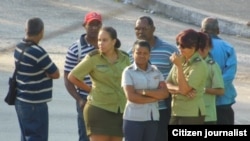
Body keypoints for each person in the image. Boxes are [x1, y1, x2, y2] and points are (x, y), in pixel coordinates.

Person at [68, 26, 130, 141]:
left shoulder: (124, 57)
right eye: (99, 40)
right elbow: (72, 76)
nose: (101, 43)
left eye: (105, 40)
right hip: (98, 109)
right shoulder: (93, 58)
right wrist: (90, 89)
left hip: (119, 110)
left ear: (114, 41)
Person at [127, 16, 178, 141]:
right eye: (137, 29)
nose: (140, 32)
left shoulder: (169, 50)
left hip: (163, 108)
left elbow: (178, 75)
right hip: (138, 111)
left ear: (153, 29)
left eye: (144, 28)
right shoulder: (130, 54)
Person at [14, 17, 60, 141]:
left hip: (21, 100)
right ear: (41, 32)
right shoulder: (38, 52)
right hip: (35, 103)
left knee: (26, 136)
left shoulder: (18, 47)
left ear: (26, 30)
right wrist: (46, 72)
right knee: (37, 137)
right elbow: (56, 74)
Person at [64, 11, 102, 141]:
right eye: (91, 24)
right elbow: (68, 79)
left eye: (97, 24)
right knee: (86, 136)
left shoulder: (106, 46)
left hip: (105, 99)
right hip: (86, 98)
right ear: (84, 25)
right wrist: (79, 99)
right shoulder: (76, 49)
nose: (94, 28)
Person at [122, 39, 169, 141]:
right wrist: (154, 98)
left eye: (145, 53)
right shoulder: (128, 72)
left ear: (149, 55)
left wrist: (144, 92)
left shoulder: (155, 71)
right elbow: (131, 97)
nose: (142, 56)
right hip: (134, 119)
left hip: (152, 119)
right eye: (138, 53)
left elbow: (164, 93)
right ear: (133, 53)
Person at [166, 29, 208, 125]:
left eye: (183, 46)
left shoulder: (199, 65)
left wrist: (179, 67)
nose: (179, 48)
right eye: (178, 44)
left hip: (191, 113)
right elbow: (166, 84)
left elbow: (185, 90)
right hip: (176, 110)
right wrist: (179, 89)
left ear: (193, 47)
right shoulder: (180, 60)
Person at [201, 17, 237, 124]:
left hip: (202, 101)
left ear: (202, 31)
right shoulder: (228, 47)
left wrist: (207, 90)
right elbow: (230, 75)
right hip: (223, 100)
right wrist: (217, 89)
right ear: (218, 31)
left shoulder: (196, 47)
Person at [198, 33, 225, 124]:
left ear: (210, 48)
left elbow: (220, 91)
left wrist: (202, 89)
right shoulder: (186, 63)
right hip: (189, 113)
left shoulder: (212, 65)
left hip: (207, 115)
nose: (202, 50)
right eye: (199, 47)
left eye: (205, 47)